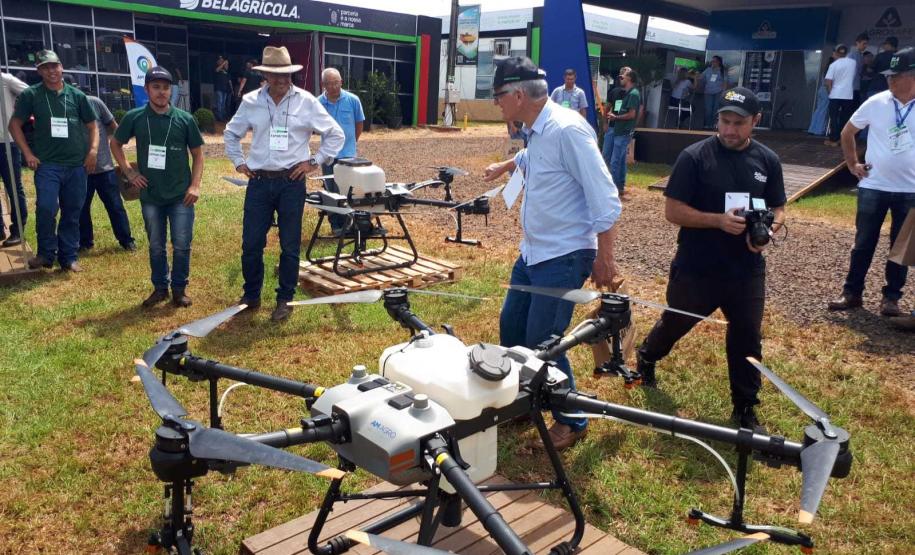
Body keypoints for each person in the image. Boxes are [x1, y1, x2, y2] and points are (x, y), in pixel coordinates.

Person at [482, 57, 622, 451]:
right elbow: (533, 159)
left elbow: (605, 198)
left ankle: (572, 419)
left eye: (498, 97)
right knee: (512, 328)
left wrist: (605, 258)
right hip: (533, 253)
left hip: (563, 256)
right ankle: (527, 403)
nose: (496, 105)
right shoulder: (537, 129)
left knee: (545, 341)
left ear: (518, 95)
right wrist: (505, 165)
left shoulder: (568, 130)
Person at [635, 87, 786, 433]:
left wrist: (768, 231)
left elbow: (778, 207)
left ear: (756, 122)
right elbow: (672, 211)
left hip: (746, 269)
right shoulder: (694, 157)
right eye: (724, 121)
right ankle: (647, 355)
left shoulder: (767, 161)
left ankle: (745, 407)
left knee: (747, 335)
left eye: (739, 123)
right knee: (677, 322)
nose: (730, 130)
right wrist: (717, 220)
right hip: (698, 266)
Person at [224, 46, 344, 322]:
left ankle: (284, 299)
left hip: (292, 182)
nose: (281, 80)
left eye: (285, 75)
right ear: (264, 74)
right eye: (275, 75)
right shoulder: (251, 101)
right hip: (259, 182)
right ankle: (251, 295)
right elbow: (231, 134)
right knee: (251, 243)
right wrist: (238, 162)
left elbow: (334, 135)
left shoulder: (306, 102)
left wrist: (314, 162)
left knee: (290, 245)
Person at [828, 47, 915, 318]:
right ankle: (852, 293)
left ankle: (891, 298)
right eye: (888, 74)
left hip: (910, 190)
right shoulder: (876, 102)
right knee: (863, 242)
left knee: (900, 249)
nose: (889, 80)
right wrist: (853, 163)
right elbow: (847, 132)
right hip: (873, 186)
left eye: (896, 75)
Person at [110, 67, 204, 308]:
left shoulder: (185, 120)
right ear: (147, 90)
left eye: (165, 87)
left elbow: (198, 155)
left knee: (182, 244)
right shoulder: (135, 117)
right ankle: (160, 288)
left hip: (181, 195)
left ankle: (179, 289)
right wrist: (129, 172)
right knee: (155, 244)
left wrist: (194, 186)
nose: (162, 92)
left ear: (170, 90)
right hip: (151, 195)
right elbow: (116, 143)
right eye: (156, 87)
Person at [8, 50, 98, 272]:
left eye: (54, 66)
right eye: (46, 67)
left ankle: (68, 257)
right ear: (39, 71)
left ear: (61, 67)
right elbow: (14, 125)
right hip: (48, 165)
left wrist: (93, 151)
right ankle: (46, 254)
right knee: (46, 209)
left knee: (72, 211)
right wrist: (28, 153)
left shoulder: (77, 96)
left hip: (77, 166)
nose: (51, 71)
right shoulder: (31, 95)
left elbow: (92, 126)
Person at [79, 91, 136, 252]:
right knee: (81, 208)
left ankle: (126, 240)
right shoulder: (68, 106)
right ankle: (85, 242)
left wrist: (120, 141)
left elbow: (114, 126)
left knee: (115, 206)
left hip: (104, 168)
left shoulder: (95, 103)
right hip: (80, 170)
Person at [318, 67, 364, 235]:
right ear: (323, 84)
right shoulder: (318, 103)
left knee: (348, 191)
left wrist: (352, 142)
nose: (333, 87)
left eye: (336, 83)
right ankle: (335, 225)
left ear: (341, 82)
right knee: (331, 191)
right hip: (328, 156)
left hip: (348, 156)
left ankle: (349, 224)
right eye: (329, 83)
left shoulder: (353, 100)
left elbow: (359, 123)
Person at [0, 71, 28, 247]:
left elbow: (30, 94)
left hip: (7, 143)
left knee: (13, 187)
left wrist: (20, 116)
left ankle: (17, 230)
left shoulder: (6, 79)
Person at [602, 68, 640, 198]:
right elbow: (608, 107)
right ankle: (616, 187)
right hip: (618, 130)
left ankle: (613, 188)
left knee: (616, 161)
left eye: (623, 76)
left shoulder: (633, 94)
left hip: (622, 131)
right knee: (614, 159)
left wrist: (616, 118)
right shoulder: (620, 92)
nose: (621, 77)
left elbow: (632, 114)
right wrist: (606, 122)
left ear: (629, 78)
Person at [824, 45, 857, 146]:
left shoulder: (833, 65)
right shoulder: (853, 63)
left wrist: (830, 92)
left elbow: (828, 81)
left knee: (833, 117)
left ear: (836, 53)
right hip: (848, 95)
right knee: (845, 118)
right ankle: (843, 140)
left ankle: (833, 139)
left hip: (835, 94)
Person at [699, 56, 726, 128]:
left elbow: (725, 82)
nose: (712, 63)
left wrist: (724, 92)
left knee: (716, 109)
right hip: (708, 92)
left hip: (718, 92)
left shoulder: (722, 71)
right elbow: (701, 78)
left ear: (718, 62)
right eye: (712, 61)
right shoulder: (708, 70)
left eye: (714, 61)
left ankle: (714, 125)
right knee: (708, 109)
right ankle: (707, 125)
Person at [848, 32, 870, 105]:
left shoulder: (860, 55)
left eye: (866, 44)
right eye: (864, 43)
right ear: (857, 43)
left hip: (857, 87)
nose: (865, 46)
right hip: (850, 88)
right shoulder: (851, 55)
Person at [213, 55, 231, 121]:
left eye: (222, 60)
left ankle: (222, 117)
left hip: (225, 89)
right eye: (220, 60)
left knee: (223, 104)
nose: (222, 61)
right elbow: (217, 70)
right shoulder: (216, 67)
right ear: (217, 61)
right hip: (218, 88)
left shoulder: (225, 70)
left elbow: (227, 68)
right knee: (219, 103)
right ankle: (219, 117)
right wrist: (223, 63)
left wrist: (226, 63)